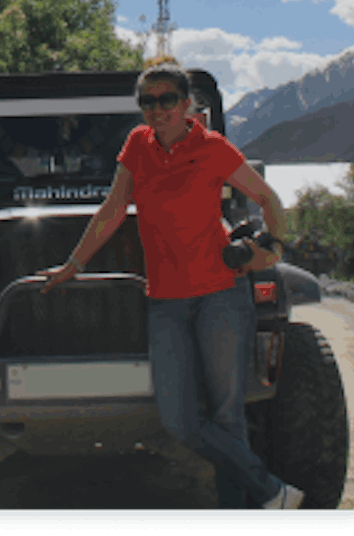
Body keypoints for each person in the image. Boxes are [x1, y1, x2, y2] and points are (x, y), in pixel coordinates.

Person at [38, 62, 301, 510]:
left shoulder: (213, 148)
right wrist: (74, 264)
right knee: (179, 420)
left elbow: (268, 198)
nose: (156, 110)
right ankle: (271, 491)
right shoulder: (138, 146)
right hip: (165, 302)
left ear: (186, 105)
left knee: (227, 413)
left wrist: (272, 250)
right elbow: (113, 210)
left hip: (222, 293)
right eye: (147, 101)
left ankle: (234, 514)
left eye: (165, 100)